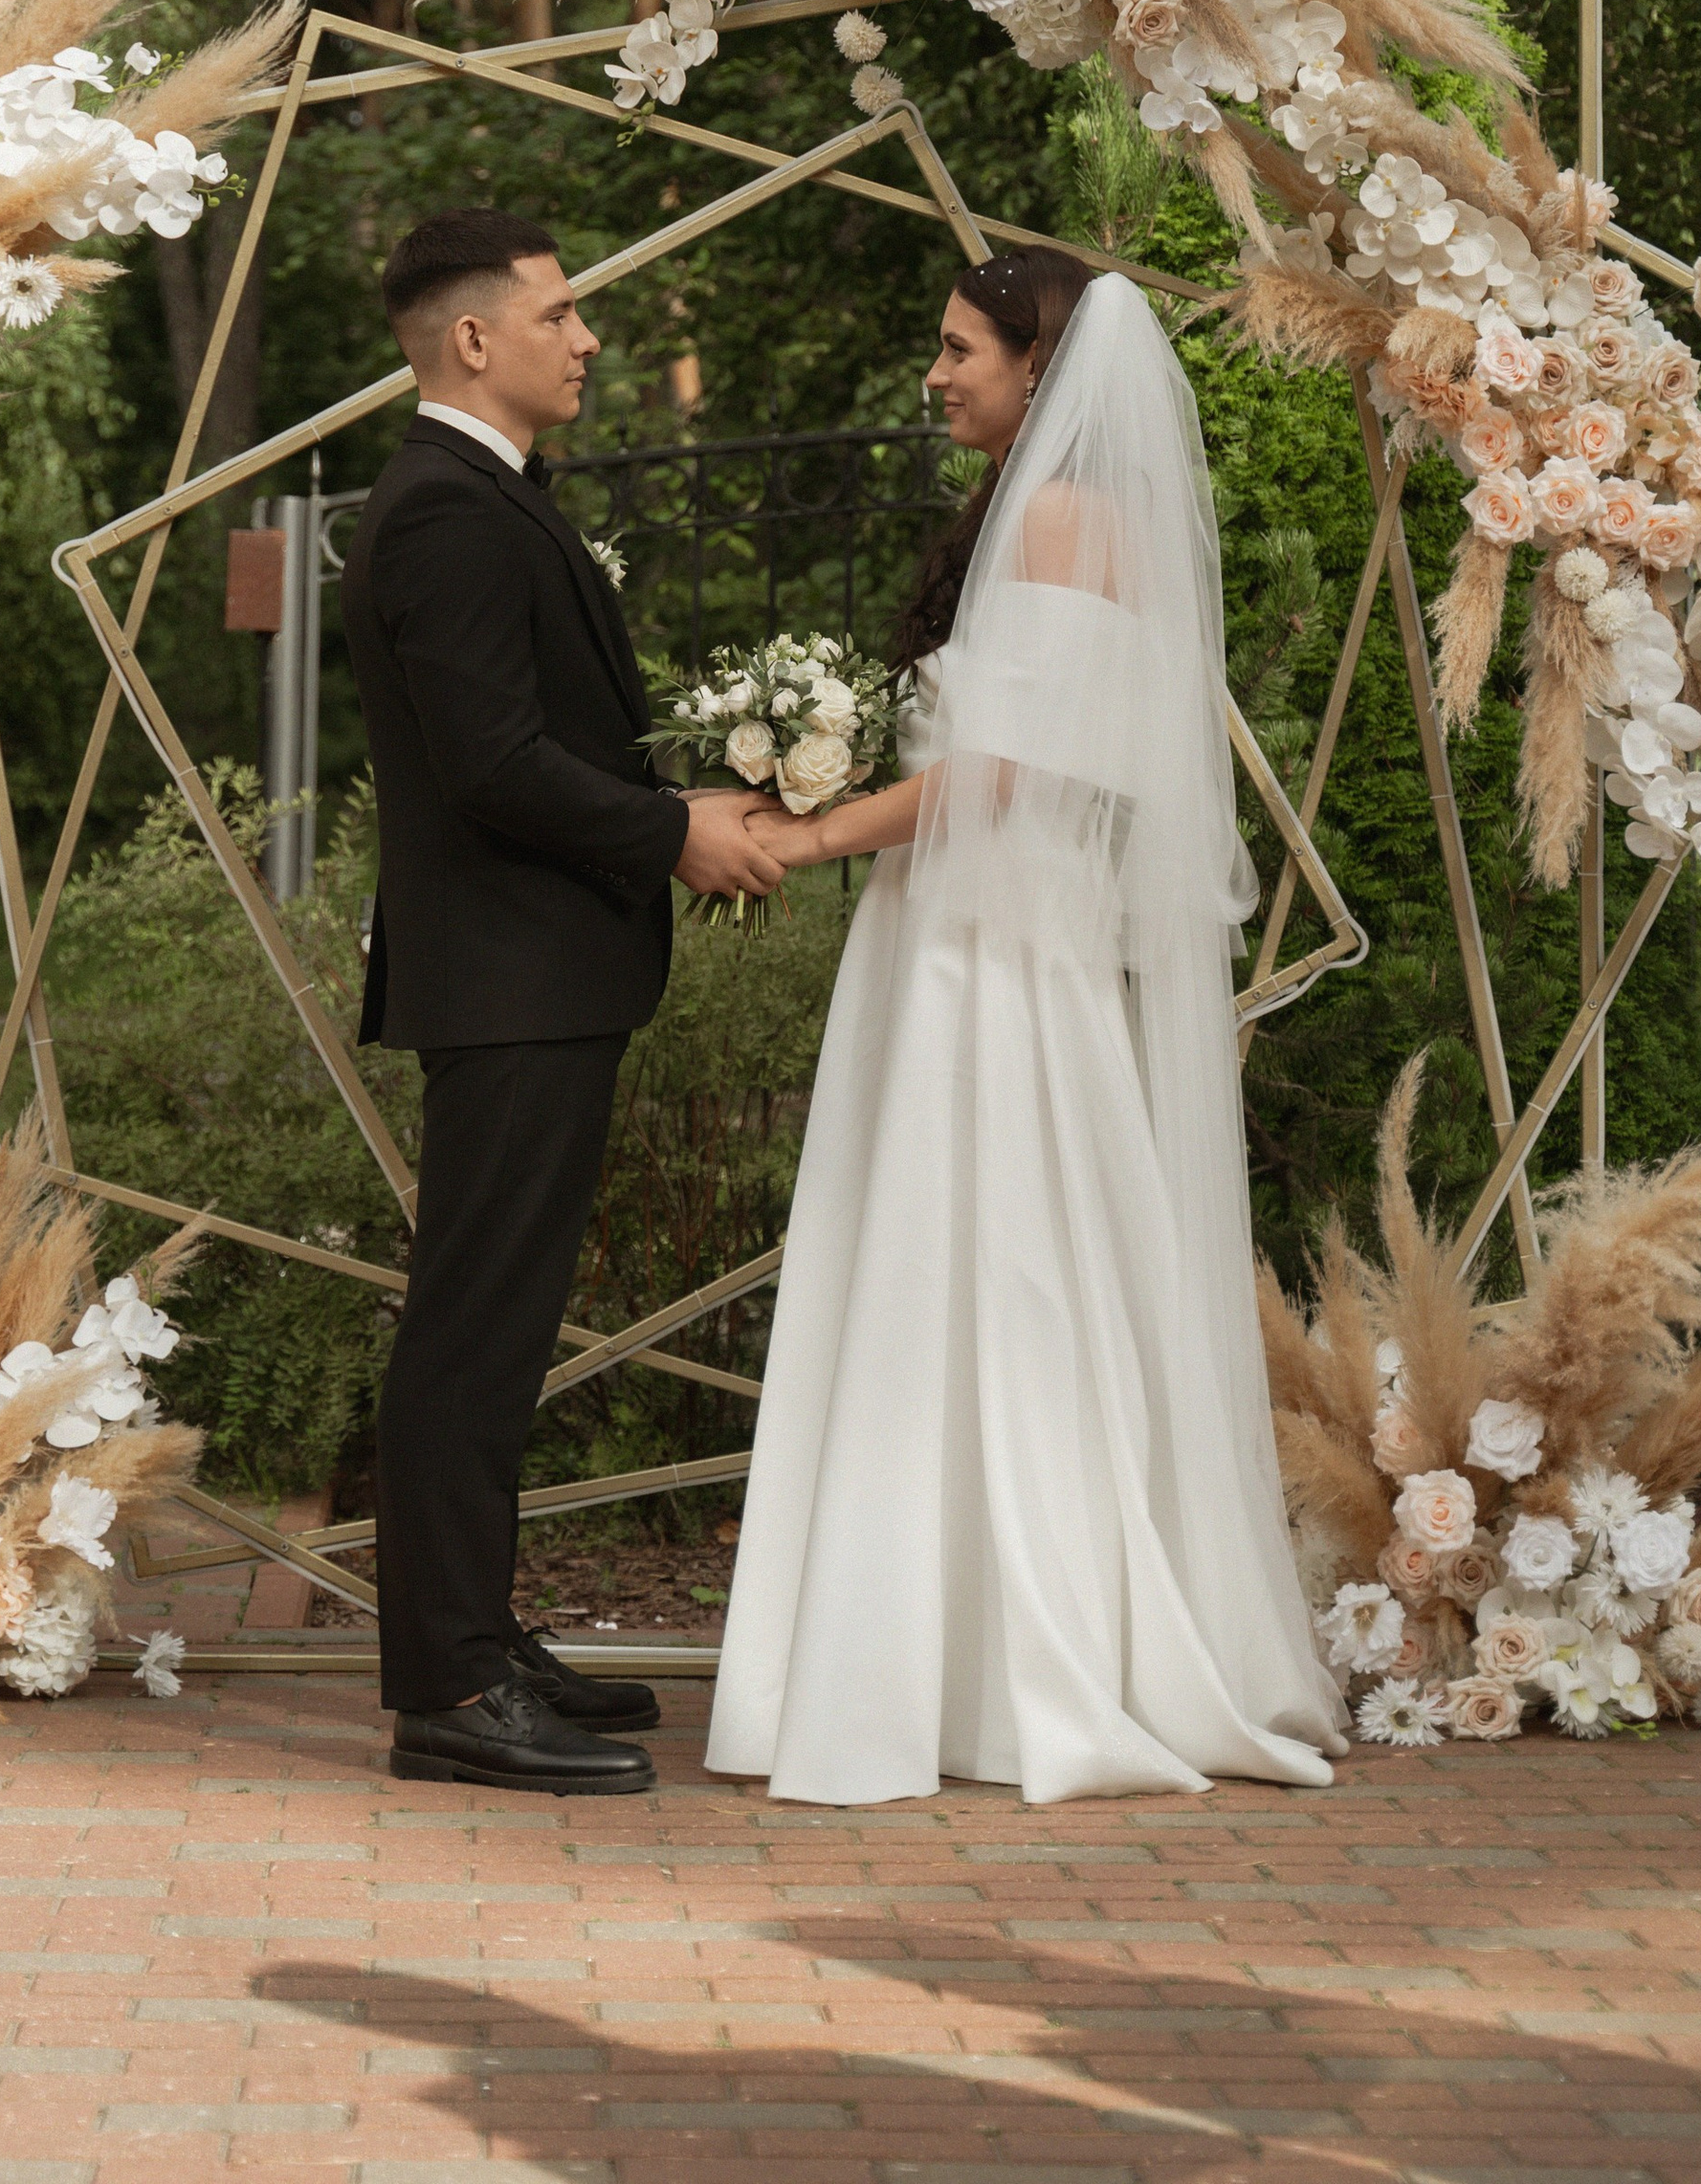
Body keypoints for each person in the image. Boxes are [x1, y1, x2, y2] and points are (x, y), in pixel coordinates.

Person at [706, 246, 1349, 1807]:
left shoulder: (1062, 520)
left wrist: (805, 829)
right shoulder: (1046, 515)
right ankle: (975, 1649)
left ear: (1036, 365)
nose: (937, 376)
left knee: (977, 1266)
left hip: (983, 952)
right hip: (977, 933)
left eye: (959, 351)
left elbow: (1004, 774)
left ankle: (971, 1661)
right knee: (1005, 1268)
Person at [340, 207, 784, 1796]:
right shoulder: (447, 514)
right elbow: (494, 765)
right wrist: (677, 833)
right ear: (475, 339)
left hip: (541, 976)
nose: (588, 338)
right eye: (562, 310)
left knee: (501, 1324)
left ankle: (480, 1633)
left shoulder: (484, 496)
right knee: (473, 1329)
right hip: (511, 981)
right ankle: (450, 1685)